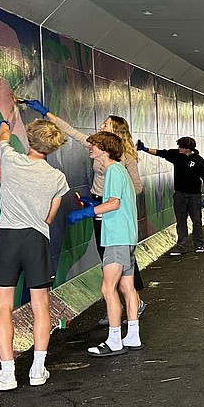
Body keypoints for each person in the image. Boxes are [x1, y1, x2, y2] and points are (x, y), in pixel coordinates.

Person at [20, 100, 147, 317]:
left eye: (106, 125)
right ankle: (118, 306)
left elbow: (136, 187)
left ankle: (127, 304)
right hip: (99, 205)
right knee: (107, 257)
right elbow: (72, 131)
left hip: (110, 210)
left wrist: (110, 197)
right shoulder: (99, 147)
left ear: (116, 131)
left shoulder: (122, 161)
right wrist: (46, 113)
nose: (101, 127)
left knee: (118, 261)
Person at [0, 118, 71, 391]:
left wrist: (4, 123)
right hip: (36, 241)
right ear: (54, 147)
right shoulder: (57, 178)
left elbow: (3, 138)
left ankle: (7, 374)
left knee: (3, 307)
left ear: (30, 138)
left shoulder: (10, 159)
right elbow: (48, 217)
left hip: (8, 238)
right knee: (40, 305)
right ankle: (37, 369)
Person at [67, 131, 142, 357]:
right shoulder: (119, 171)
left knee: (107, 288)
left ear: (106, 149)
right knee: (127, 288)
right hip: (126, 236)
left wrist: (88, 212)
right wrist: (95, 205)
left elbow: (113, 203)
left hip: (116, 238)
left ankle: (114, 340)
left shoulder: (112, 171)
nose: (90, 147)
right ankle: (133, 335)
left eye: (95, 145)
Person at [137, 136, 204, 255]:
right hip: (179, 194)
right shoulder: (176, 155)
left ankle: (199, 244)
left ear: (187, 149)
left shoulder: (198, 161)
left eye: (181, 147)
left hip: (194, 195)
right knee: (181, 221)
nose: (179, 148)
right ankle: (181, 247)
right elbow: (160, 153)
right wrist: (145, 149)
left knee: (196, 221)